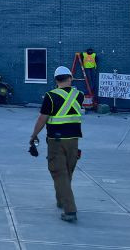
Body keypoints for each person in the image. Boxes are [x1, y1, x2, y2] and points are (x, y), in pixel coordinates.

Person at [30, 66, 83, 222]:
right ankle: (62, 200)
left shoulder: (50, 96)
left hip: (56, 141)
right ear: (70, 78)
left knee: (59, 174)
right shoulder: (79, 95)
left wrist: (34, 135)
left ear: (55, 80)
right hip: (74, 141)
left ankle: (70, 210)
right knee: (67, 172)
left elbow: (42, 118)